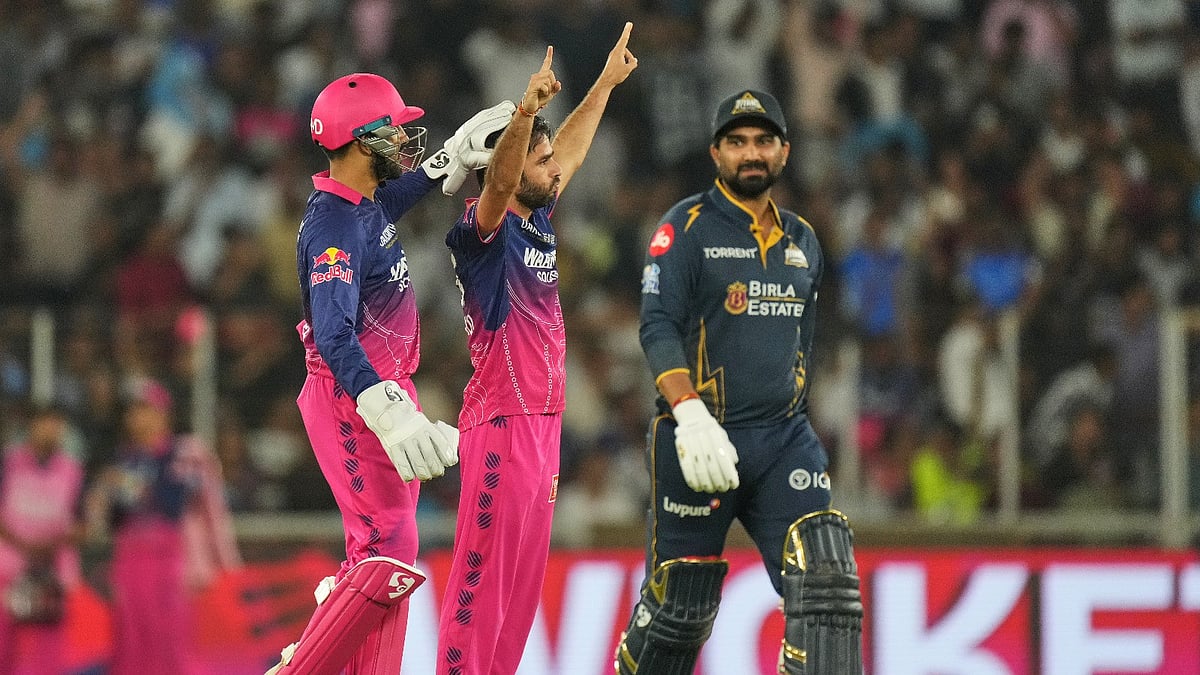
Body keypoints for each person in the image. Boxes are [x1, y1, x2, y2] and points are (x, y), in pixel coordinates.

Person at [265, 73, 515, 675]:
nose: (406, 139)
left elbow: (389, 203)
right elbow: (332, 334)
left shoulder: (358, 205)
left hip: (382, 392)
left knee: (383, 551)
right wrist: (389, 413)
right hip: (354, 399)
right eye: (395, 130)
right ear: (362, 139)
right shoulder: (333, 228)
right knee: (390, 548)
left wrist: (448, 157)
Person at [614, 89, 864, 674]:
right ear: (715, 153)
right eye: (737, 142)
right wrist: (690, 414)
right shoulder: (686, 228)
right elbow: (657, 326)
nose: (750, 153)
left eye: (762, 141)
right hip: (699, 442)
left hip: (782, 441)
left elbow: (804, 342)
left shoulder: (804, 240)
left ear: (784, 151)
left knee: (828, 588)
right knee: (679, 611)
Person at [437, 24, 637, 675]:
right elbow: (497, 184)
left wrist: (603, 84)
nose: (557, 167)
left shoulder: (538, 218)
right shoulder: (481, 234)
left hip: (543, 430)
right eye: (540, 157)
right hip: (501, 426)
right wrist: (523, 111)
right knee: (478, 589)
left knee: (517, 601)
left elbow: (569, 154)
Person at [84, 379, 241, 675]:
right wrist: (103, 497)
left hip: (171, 561)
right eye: (131, 411)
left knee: (171, 639)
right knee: (131, 638)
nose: (136, 418)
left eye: (144, 409)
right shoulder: (125, 457)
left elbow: (178, 505)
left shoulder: (186, 451)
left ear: (163, 412)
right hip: (130, 559)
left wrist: (226, 562)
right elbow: (116, 518)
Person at [0, 405, 83, 675]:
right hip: (8, 567)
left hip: (52, 569)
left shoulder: (73, 471)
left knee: (48, 643)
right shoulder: (9, 463)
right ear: (31, 427)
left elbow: (81, 523)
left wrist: (52, 546)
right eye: (44, 423)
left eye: (56, 425)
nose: (50, 431)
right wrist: (23, 545)